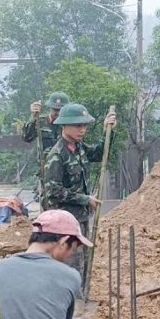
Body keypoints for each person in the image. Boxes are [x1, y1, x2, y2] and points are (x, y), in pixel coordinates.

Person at [42, 103, 116, 276]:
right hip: (65, 222)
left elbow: (98, 153)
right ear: (64, 125)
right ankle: (73, 301)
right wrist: (85, 199)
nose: (82, 129)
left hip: (81, 217)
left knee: (83, 262)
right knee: (70, 265)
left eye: (84, 125)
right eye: (77, 125)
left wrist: (108, 131)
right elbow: (53, 191)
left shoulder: (79, 148)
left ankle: (80, 297)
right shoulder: (57, 155)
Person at [22, 92, 70, 200]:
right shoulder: (40, 122)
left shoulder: (68, 125)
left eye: (60, 110)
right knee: (46, 206)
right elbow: (26, 137)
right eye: (55, 110)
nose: (57, 113)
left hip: (65, 172)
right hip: (45, 172)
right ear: (50, 108)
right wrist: (33, 117)